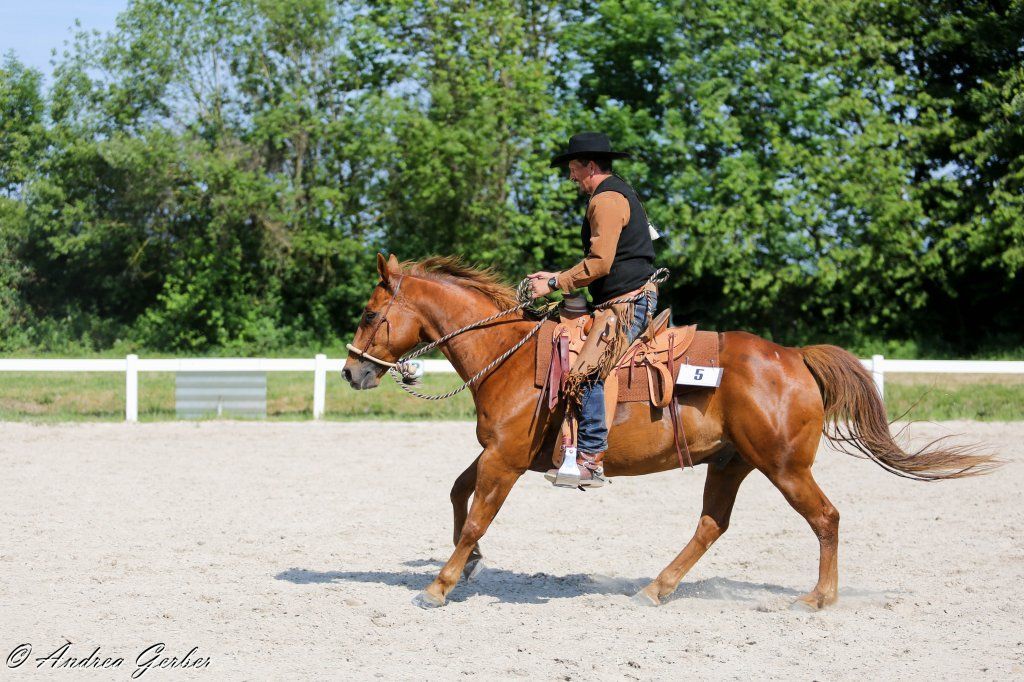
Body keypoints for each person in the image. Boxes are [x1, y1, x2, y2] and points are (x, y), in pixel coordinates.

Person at [528, 131, 658, 488]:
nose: (571, 176)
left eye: (573, 168)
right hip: (620, 299)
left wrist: (554, 284)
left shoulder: (607, 200)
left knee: (586, 370)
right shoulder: (615, 193)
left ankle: (590, 458)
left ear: (589, 165)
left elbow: (600, 264)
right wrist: (558, 275)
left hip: (628, 304)